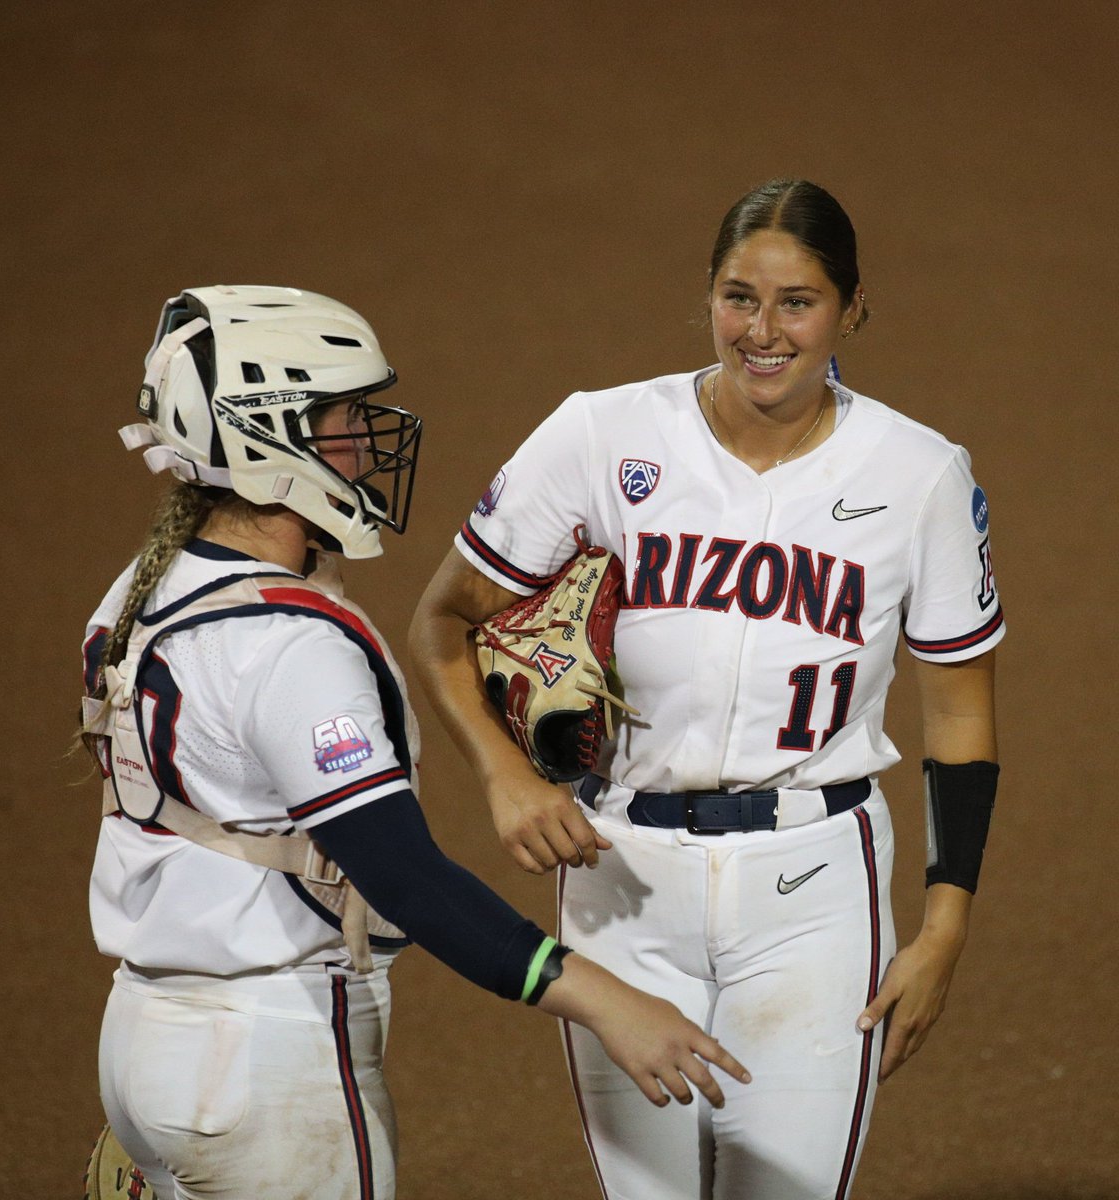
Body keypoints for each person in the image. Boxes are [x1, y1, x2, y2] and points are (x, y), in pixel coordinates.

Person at [79, 285, 752, 1200]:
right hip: (264, 1059)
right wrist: (607, 1002)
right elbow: (405, 875)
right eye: (344, 416)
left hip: (148, 1040)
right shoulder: (289, 650)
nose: (368, 438)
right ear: (268, 440)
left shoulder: (139, 590)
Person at [408, 179, 1002, 1200]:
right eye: (739, 298)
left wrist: (946, 923)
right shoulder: (602, 436)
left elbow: (957, 711)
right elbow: (442, 620)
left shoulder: (920, 476)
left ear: (852, 310)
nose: (762, 332)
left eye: (797, 302)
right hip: (622, 879)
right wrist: (505, 775)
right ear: (708, 298)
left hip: (817, 891)